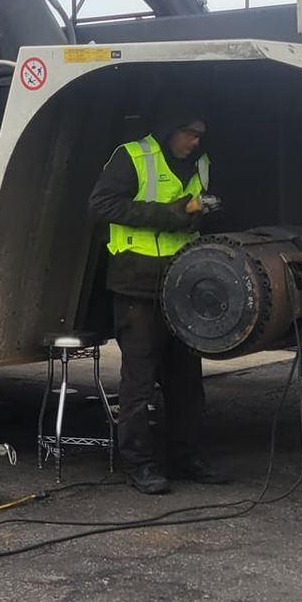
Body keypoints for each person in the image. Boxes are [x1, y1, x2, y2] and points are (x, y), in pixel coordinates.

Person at [88, 108, 232, 495]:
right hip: (138, 284)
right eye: (189, 133)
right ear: (170, 129)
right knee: (139, 380)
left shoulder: (202, 163)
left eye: (200, 135)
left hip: (184, 283)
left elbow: (199, 216)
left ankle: (187, 458)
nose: (195, 142)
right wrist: (172, 214)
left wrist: (200, 214)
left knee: (186, 381)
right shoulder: (133, 157)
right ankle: (139, 464)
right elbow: (100, 205)